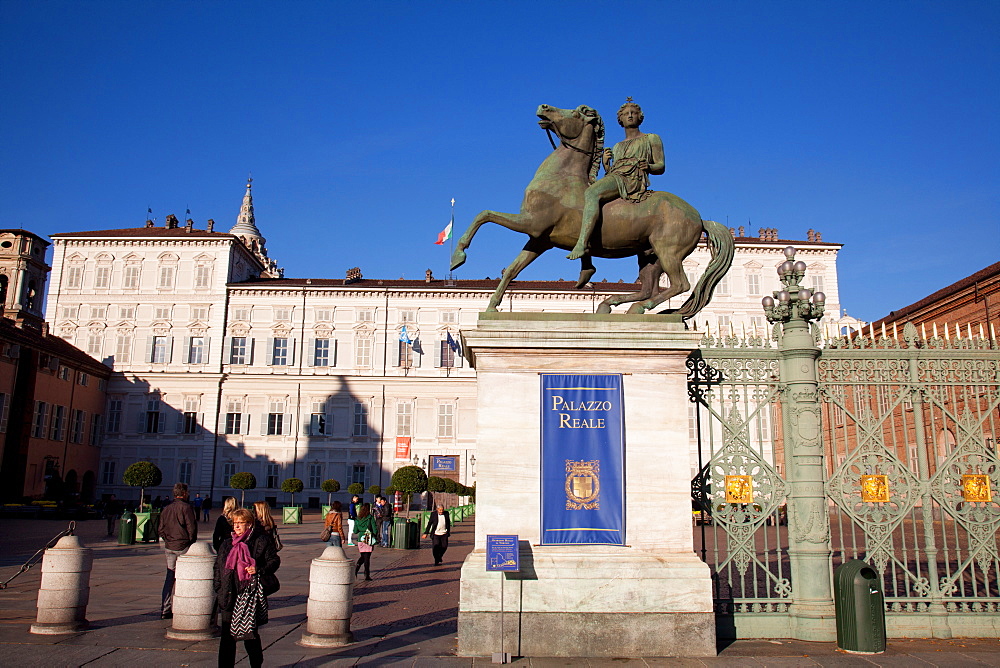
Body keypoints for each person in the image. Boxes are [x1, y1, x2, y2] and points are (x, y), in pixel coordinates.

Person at [568, 98, 665, 260]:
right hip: (617, 177)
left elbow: (660, 166)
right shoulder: (617, 147)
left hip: (632, 179)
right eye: (626, 114)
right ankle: (587, 261)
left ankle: (582, 244)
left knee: (592, 194)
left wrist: (648, 166)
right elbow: (613, 174)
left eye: (634, 113)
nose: (630, 116)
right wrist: (607, 164)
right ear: (620, 119)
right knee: (582, 195)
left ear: (640, 117)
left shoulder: (651, 138)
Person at [214, 508, 280, 668]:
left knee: (249, 634)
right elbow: (218, 566)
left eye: (240, 523)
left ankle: (256, 665)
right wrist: (218, 586)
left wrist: (259, 568)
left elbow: (274, 561)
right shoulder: (227, 543)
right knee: (226, 637)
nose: (236, 527)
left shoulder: (260, 541)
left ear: (249, 524)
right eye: (234, 523)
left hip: (248, 594)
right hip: (228, 594)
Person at [156, 482, 198, 619]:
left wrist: (168, 540)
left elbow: (160, 529)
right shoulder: (186, 508)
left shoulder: (166, 508)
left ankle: (165, 608)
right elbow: (191, 528)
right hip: (183, 546)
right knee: (185, 577)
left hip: (169, 547)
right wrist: (190, 542)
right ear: (184, 493)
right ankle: (184, 606)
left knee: (169, 577)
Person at [353, 503, 377, 581]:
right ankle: (367, 574)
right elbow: (374, 529)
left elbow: (355, 531)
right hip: (368, 538)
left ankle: (356, 567)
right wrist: (375, 535)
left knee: (363, 556)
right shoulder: (370, 518)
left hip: (361, 539)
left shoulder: (357, 519)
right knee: (367, 558)